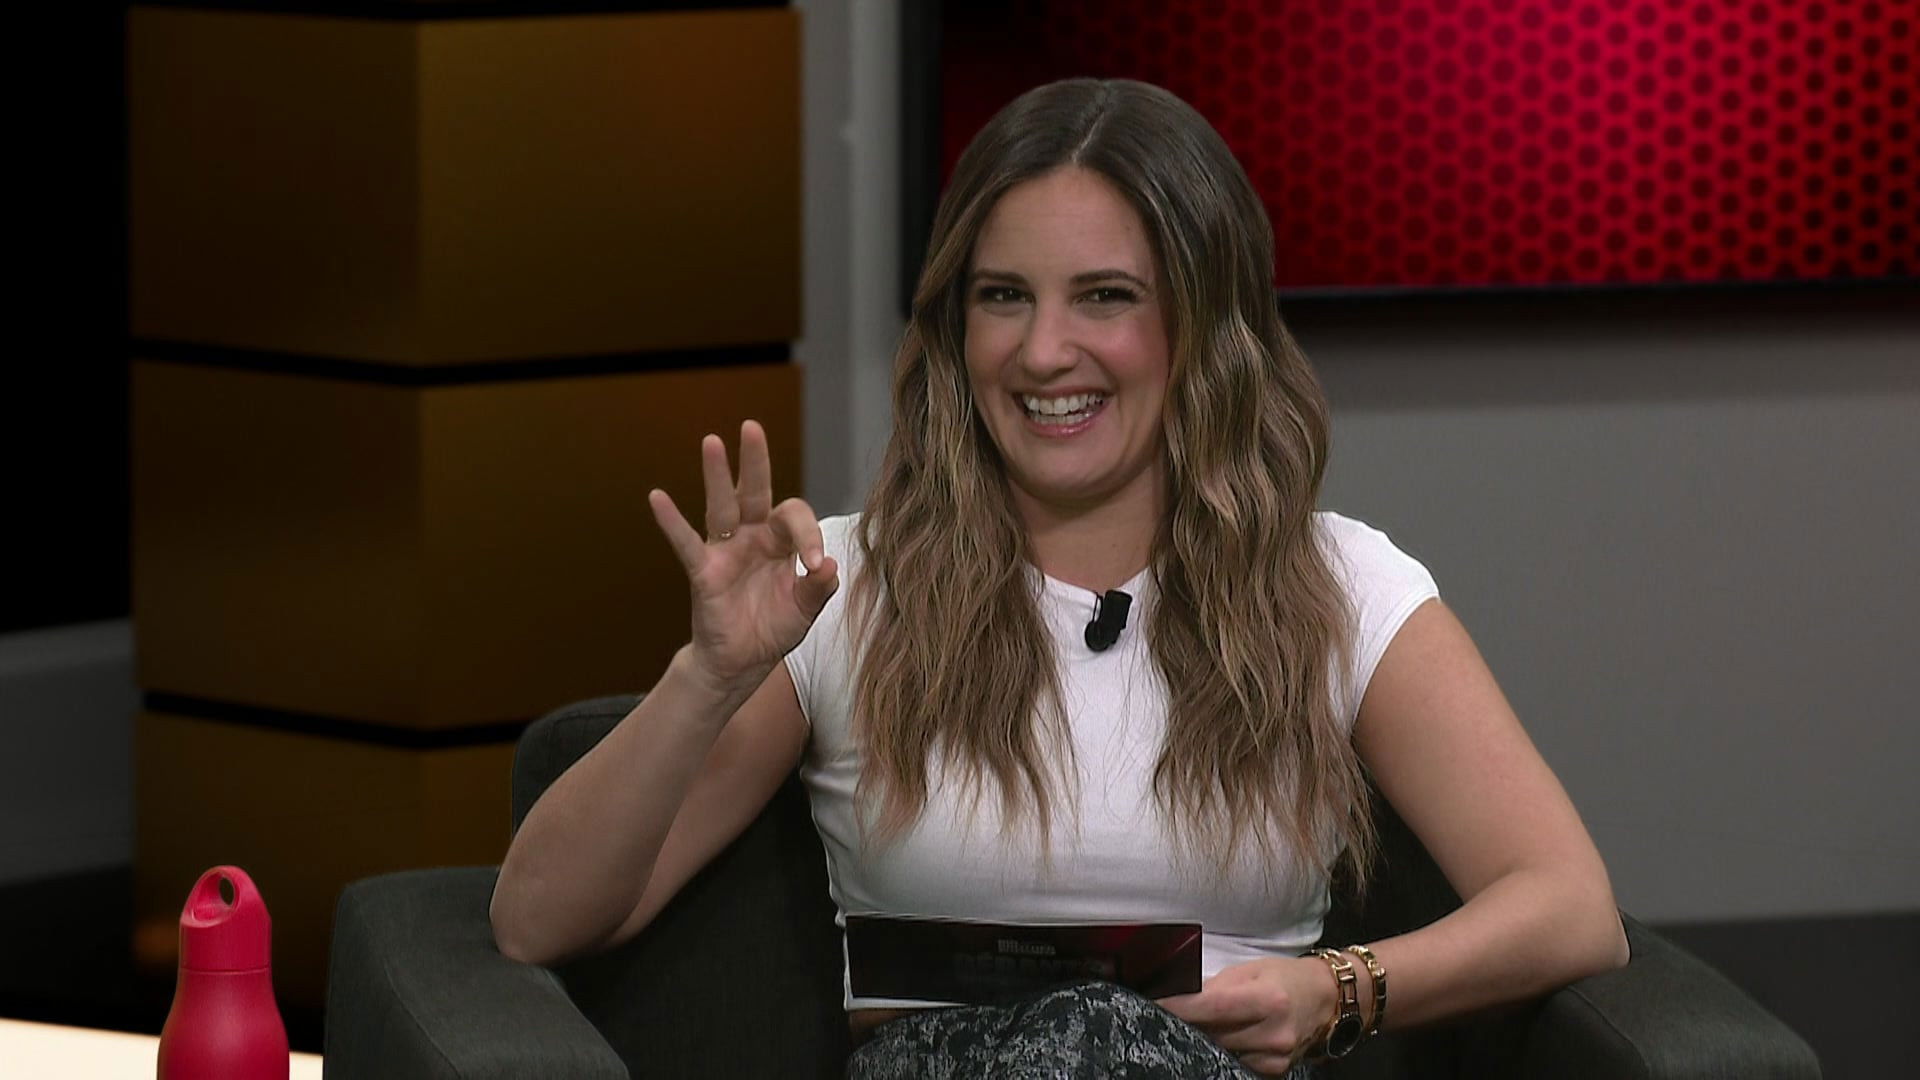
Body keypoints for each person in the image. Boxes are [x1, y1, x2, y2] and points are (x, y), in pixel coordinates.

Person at [489, 78, 1629, 1078]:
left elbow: (1571, 907)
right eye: (1003, 296)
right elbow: (536, 920)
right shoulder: (843, 587)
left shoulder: (1339, 587)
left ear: (1204, 324)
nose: (1041, 352)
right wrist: (707, 677)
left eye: (1104, 296)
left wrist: (1335, 991)